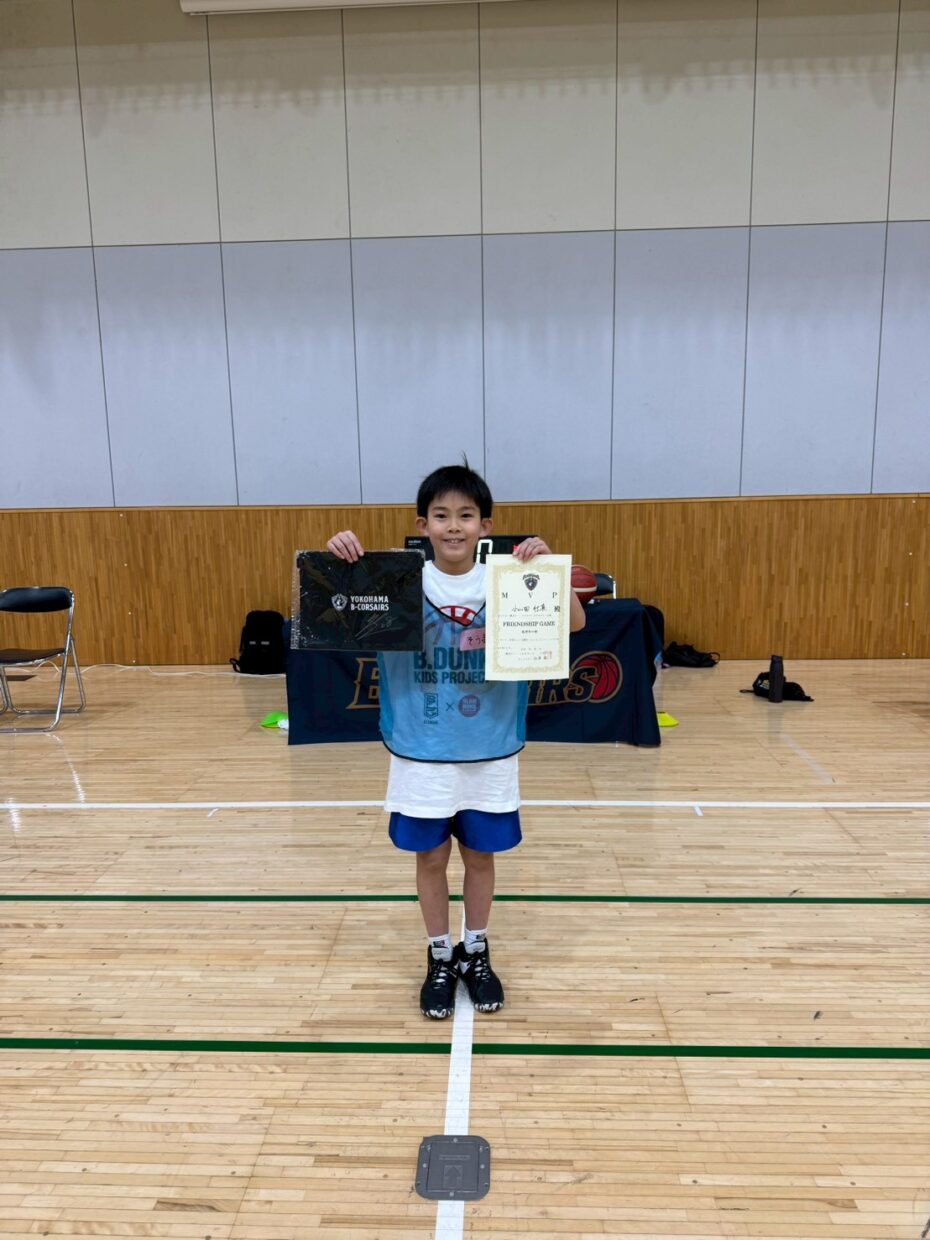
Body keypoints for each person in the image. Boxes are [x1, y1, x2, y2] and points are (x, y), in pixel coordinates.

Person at [327, 462, 586, 1019]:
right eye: (441, 515)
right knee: (429, 858)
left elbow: (574, 623)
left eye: (465, 516)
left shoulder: (507, 579)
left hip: (490, 746)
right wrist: (340, 562)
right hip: (421, 751)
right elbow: (329, 609)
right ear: (422, 525)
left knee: (480, 856)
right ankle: (440, 954)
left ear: (484, 526)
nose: (453, 526)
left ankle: (476, 948)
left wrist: (548, 571)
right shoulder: (394, 582)